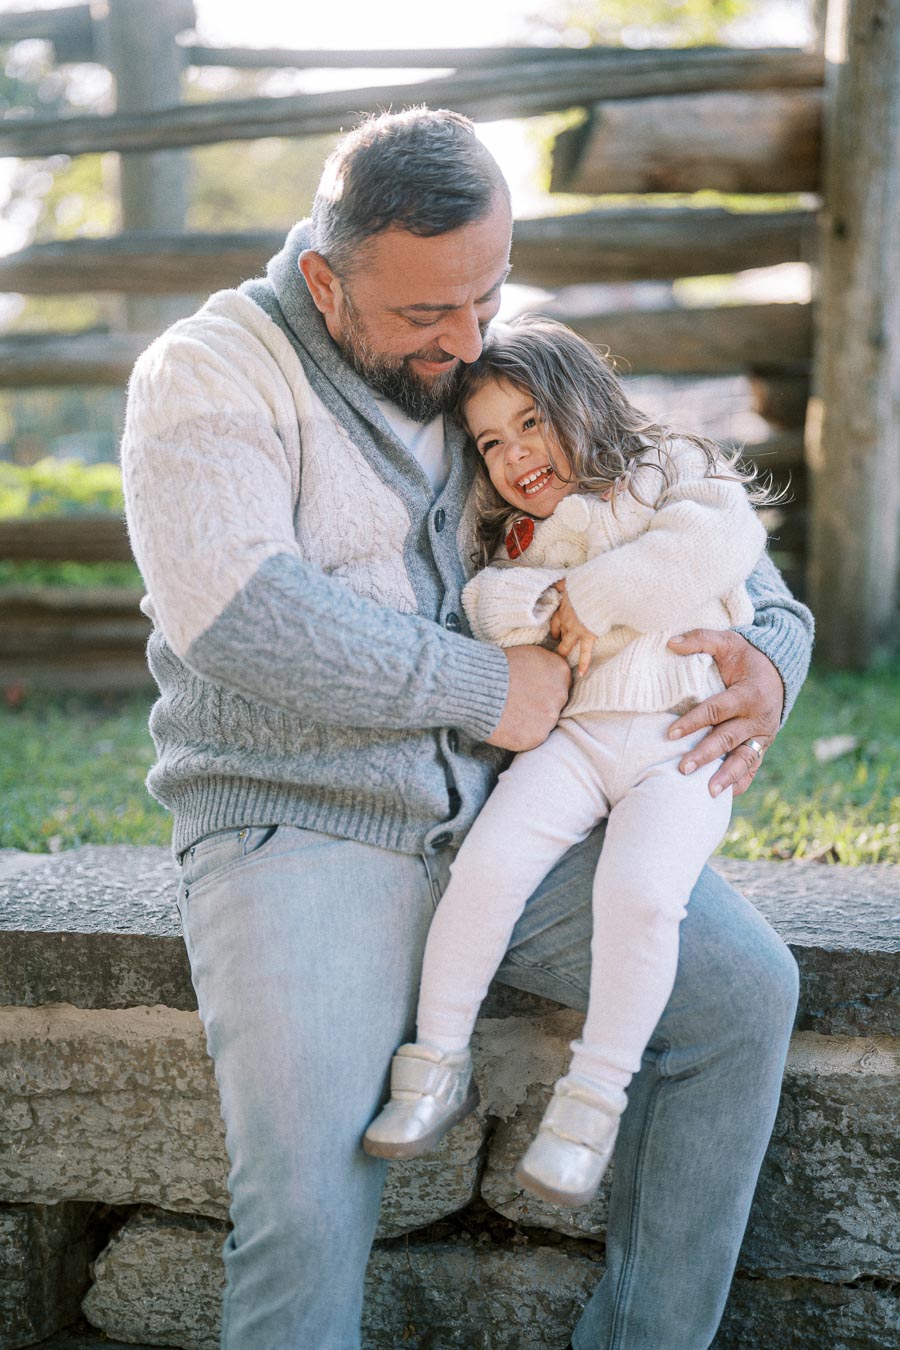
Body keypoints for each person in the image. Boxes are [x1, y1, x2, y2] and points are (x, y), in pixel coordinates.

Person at [120, 107, 813, 1349]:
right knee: (310, 1201)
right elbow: (238, 614)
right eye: (427, 317)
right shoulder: (207, 371)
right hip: (303, 825)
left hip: (516, 808)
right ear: (328, 281)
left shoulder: (480, 340)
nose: (464, 341)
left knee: (742, 995)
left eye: (486, 298)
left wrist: (771, 650)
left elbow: (666, 488)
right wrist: (488, 689)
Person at [363, 315, 772, 1211]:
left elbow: (715, 540)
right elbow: (485, 603)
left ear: (579, 401)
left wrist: (595, 596)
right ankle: (432, 1062)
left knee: (639, 895)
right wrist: (555, 602)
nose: (514, 454)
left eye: (530, 422)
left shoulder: (668, 469)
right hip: (576, 742)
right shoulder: (514, 532)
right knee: (489, 868)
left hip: (682, 740)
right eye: (491, 441)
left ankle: (590, 1105)